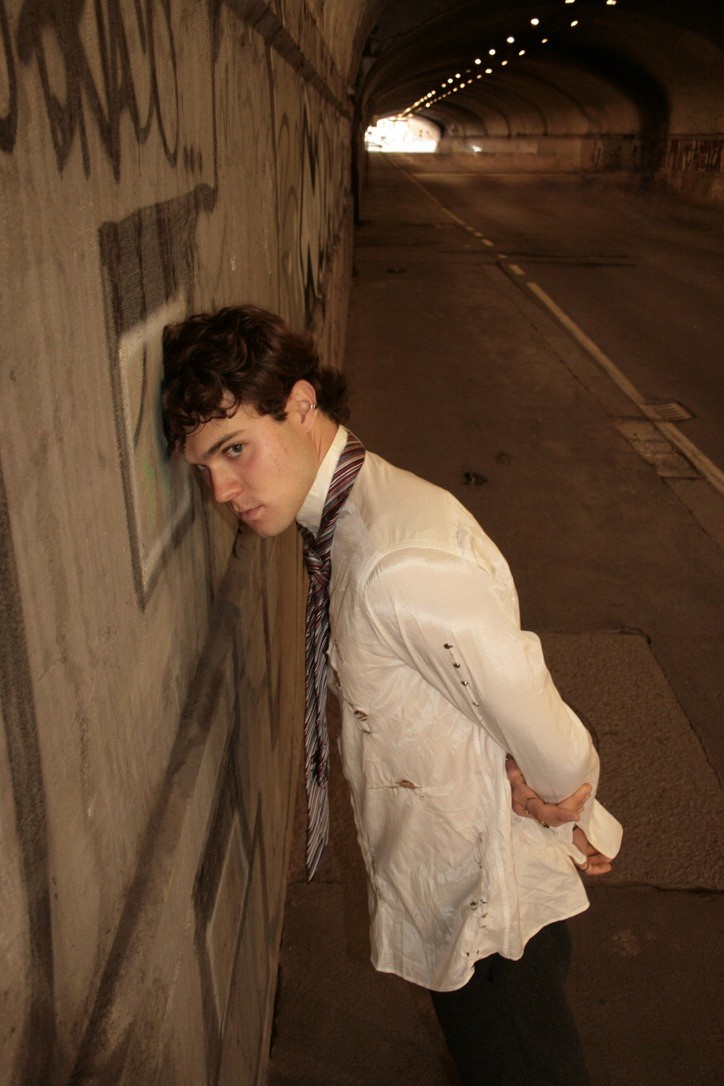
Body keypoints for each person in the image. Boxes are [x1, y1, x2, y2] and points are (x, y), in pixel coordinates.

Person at [161, 304, 622, 1085]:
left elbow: (538, 715)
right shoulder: (357, 515)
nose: (222, 489)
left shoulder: (396, 560)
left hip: (487, 912)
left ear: (300, 404)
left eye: (234, 449)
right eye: (205, 467)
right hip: (459, 885)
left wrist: (569, 801)